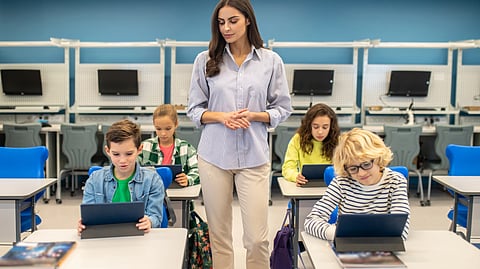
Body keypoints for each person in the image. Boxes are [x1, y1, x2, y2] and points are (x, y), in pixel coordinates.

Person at [187, 0, 292, 268]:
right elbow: (194, 110)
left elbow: (283, 107)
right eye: (221, 23)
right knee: (219, 236)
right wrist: (222, 117)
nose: (226, 28)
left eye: (232, 20)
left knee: (257, 239)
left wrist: (256, 116)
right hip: (213, 156)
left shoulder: (270, 61)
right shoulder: (205, 59)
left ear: (247, 20)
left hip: (254, 157)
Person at [304, 128, 410, 241]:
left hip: (384, 246)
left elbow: (401, 229)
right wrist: (335, 234)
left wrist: (364, 237)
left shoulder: (396, 181)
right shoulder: (341, 183)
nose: (361, 173)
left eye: (366, 164)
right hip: (347, 244)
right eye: (353, 168)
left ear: (378, 158)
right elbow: (311, 221)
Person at [77, 119, 165, 234]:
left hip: (139, 239)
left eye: (129, 154)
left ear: (139, 149)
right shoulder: (94, 180)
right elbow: (89, 215)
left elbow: (156, 217)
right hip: (105, 239)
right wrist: (84, 224)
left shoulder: (153, 180)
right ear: (107, 151)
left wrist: (149, 221)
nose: (122, 160)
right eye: (116, 154)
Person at [138, 104, 200, 187]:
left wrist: (188, 179)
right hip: (151, 194)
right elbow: (133, 169)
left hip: (179, 195)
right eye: (158, 129)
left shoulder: (186, 148)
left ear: (176, 124)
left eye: (168, 129)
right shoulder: (144, 147)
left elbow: (198, 170)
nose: (163, 133)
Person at [282, 103, 340, 186]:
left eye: (325, 127)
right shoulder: (298, 139)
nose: (320, 132)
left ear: (331, 127)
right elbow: (288, 168)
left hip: (333, 187)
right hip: (306, 184)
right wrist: (296, 176)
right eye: (315, 127)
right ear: (309, 126)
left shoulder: (338, 141)